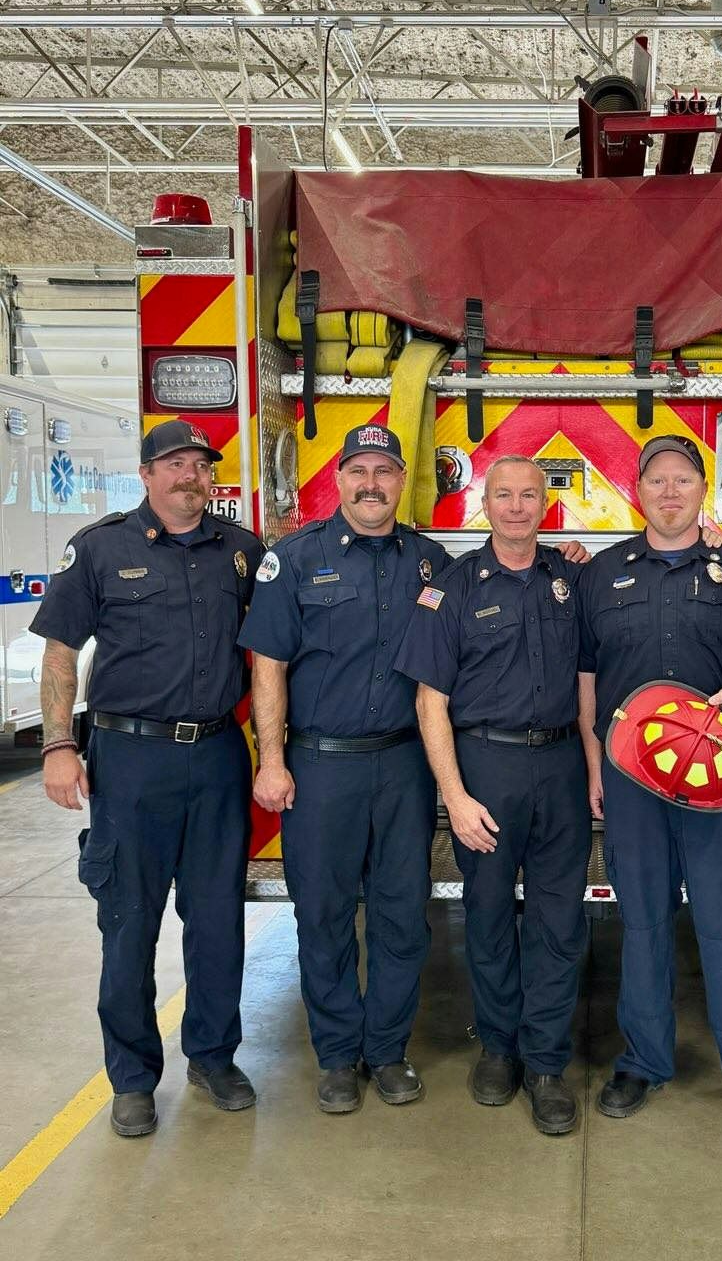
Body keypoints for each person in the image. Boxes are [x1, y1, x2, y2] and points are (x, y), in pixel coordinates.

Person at [31, 419, 264, 1138]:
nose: (189, 475)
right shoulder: (101, 549)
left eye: (200, 465)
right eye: (174, 464)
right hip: (129, 759)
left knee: (219, 920)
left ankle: (213, 1056)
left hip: (221, 754)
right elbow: (62, 654)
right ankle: (132, 1078)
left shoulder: (243, 551)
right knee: (129, 924)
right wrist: (59, 745)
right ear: (146, 474)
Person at [577, 434, 722, 1136]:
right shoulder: (601, 574)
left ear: (702, 489)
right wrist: (594, 768)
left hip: (719, 790)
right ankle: (644, 1061)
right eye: (656, 481)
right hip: (632, 785)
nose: (669, 492)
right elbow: (587, 681)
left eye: (683, 479)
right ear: (636, 491)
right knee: (642, 925)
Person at [238, 424, 452, 1114]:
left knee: (401, 917)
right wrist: (270, 760)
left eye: (385, 471)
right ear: (339, 480)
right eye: (358, 469)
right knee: (324, 916)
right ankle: (336, 1055)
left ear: (400, 481)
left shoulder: (431, 560)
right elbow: (267, 665)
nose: (371, 483)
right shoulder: (293, 560)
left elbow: (501, 585)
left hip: (403, 767)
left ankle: (386, 1052)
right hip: (320, 766)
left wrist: (566, 558)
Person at [394, 456, 591, 1136]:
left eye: (528, 495)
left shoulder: (573, 580)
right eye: (503, 494)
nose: (515, 506)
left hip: (562, 766)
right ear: (484, 502)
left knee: (558, 923)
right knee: (486, 918)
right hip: (486, 768)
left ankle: (545, 1063)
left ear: (546, 504)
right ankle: (499, 1049)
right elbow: (430, 702)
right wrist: (455, 794)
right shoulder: (449, 592)